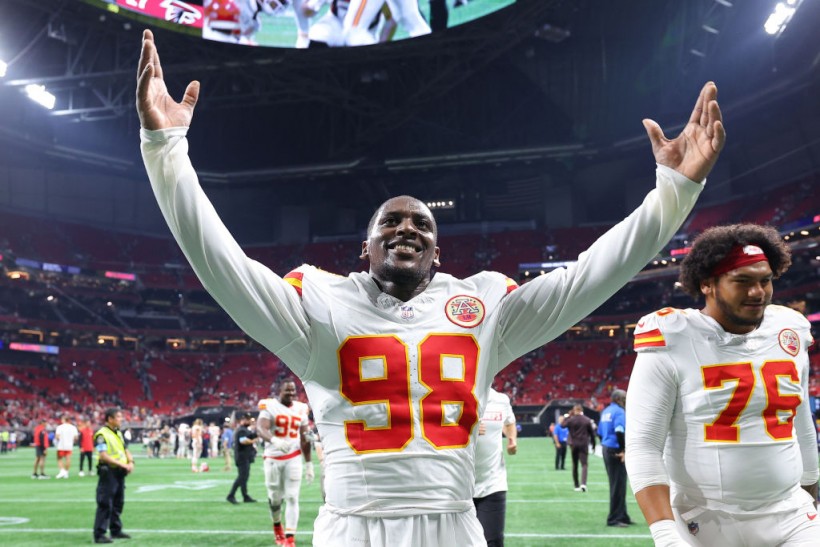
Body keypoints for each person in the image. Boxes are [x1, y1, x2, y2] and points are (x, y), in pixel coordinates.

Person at [136, 28, 724, 546]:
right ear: (363, 249)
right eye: (389, 221)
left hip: (454, 521)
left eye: (421, 223)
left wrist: (671, 193)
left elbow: (590, 277)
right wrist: (167, 152)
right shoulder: (317, 306)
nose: (406, 228)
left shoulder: (482, 304)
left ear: (439, 252)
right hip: (352, 527)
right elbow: (219, 262)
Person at [626, 223, 820, 546]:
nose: (758, 292)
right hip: (706, 522)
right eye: (742, 281)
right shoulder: (671, 336)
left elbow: (799, 422)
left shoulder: (790, 329)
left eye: (765, 280)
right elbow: (643, 445)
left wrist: (812, 486)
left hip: (791, 514)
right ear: (707, 284)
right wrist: (664, 535)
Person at [257, 381, 314, 546]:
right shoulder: (269, 406)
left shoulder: (301, 408)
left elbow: (304, 438)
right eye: (287, 390)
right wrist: (274, 440)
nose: (291, 393)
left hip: (293, 457)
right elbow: (261, 428)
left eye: (293, 390)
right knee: (275, 498)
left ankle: (290, 538)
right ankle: (277, 526)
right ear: (279, 391)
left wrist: (309, 463)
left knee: (292, 496)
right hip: (273, 458)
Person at [473, 388, 517, 547]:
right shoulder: (456, 397)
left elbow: (509, 421)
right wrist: (467, 429)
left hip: (493, 482)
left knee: (494, 541)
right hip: (460, 485)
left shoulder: (501, 399)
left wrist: (512, 440)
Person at [92, 408, 134, 544]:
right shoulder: (101, 434)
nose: (121, 419)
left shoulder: (118, 433)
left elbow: (125, 450)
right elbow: (103, 455)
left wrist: (131, 462)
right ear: (110, 419)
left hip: (119, 472)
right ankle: (99, 534)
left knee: (118, 502)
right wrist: (123, 465)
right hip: (109, 471)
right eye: (118, 417)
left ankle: (115, 530)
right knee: (105, 503)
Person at [598, 389, 631, 527]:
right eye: (624, 398)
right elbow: (619, 430)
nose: (625, 401)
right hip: (616, 450)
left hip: (607, 447)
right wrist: (623, 450)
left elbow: (599, 432)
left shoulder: (606, 411)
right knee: (618, 485)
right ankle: (614, 518)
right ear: (618, 399)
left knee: (619, 484)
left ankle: (622, 516)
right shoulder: (619, 412)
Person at [227, 412, 259, 504]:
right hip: (242, 457)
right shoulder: (241, 430)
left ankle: (245, 496)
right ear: (242, 420)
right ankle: (231, 495)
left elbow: (251, 435)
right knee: (242, 477)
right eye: (247, 419)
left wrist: (257, 433)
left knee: (244, 477)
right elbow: (243, 441)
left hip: (245, 457)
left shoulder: (245, 430)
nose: (249, 421)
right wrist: (253, 440)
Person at [564, 404, 596, 492]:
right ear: (582, 410)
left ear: (574, 410)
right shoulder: (586, 420)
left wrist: (567, 417)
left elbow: (563, 425)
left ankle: (576, 485)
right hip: (583, 444)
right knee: (584, 464)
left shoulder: (571, 420)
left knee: (575, 465)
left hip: (573, 444)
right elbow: (592, 434)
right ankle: (583, 484)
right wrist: (593, 445)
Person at [54, 414, 80, 479]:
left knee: (59, 458)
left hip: (61, 445)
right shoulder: (73, 427)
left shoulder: (60, 427)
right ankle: (66, 472)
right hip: (69, 445)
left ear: (64, 420)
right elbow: (76, 437)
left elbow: (57, 437)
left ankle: (62, 471)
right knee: (68, 459)